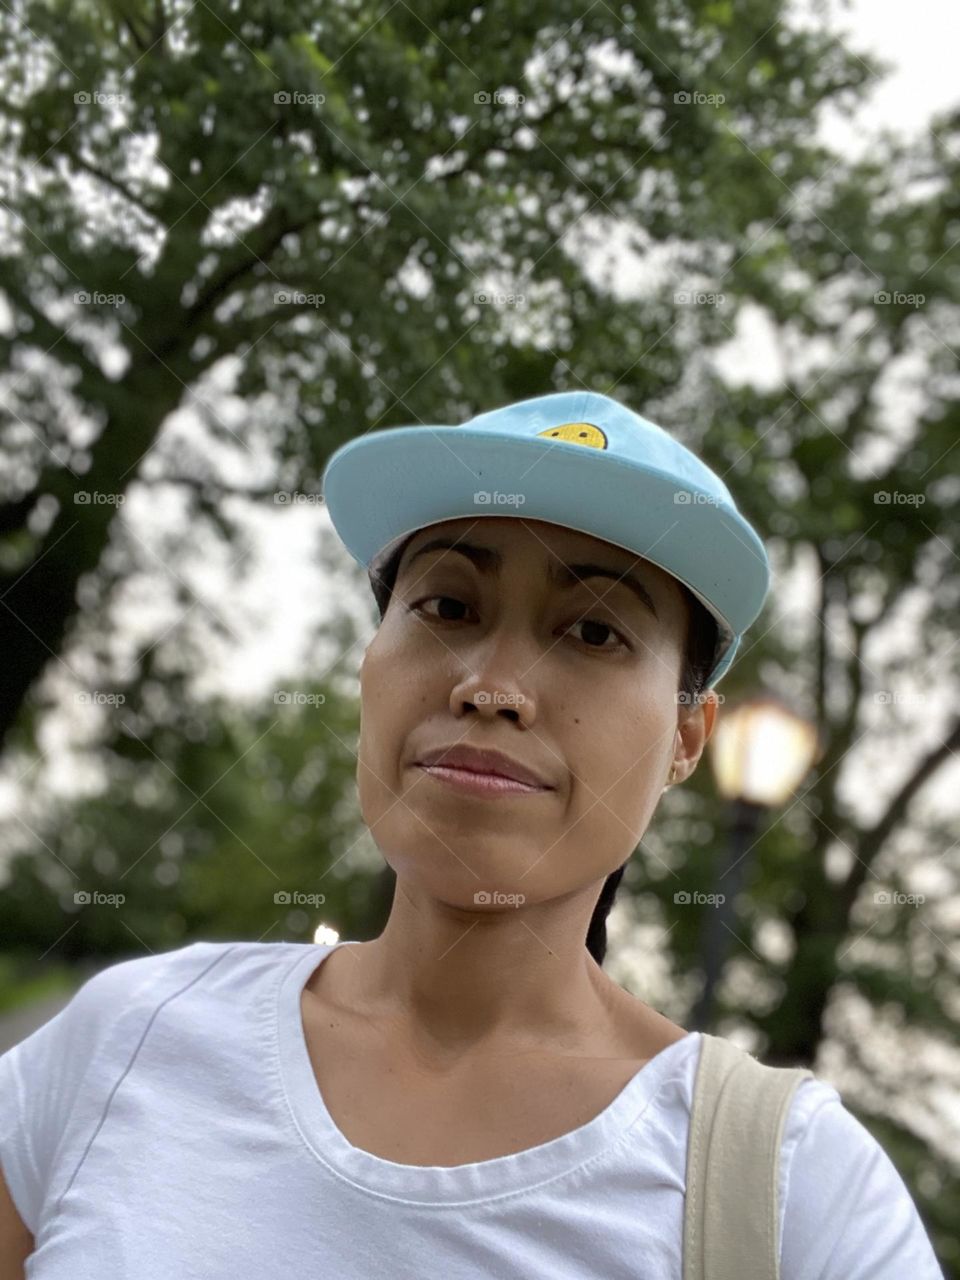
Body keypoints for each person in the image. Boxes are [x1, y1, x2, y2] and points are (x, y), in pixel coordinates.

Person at [0, 390, 944, 1278]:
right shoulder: (130, 1038)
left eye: (595, 633)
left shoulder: (792, 1190)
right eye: (449, 607)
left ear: (687, 738)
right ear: (370, 664)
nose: (491, 686)